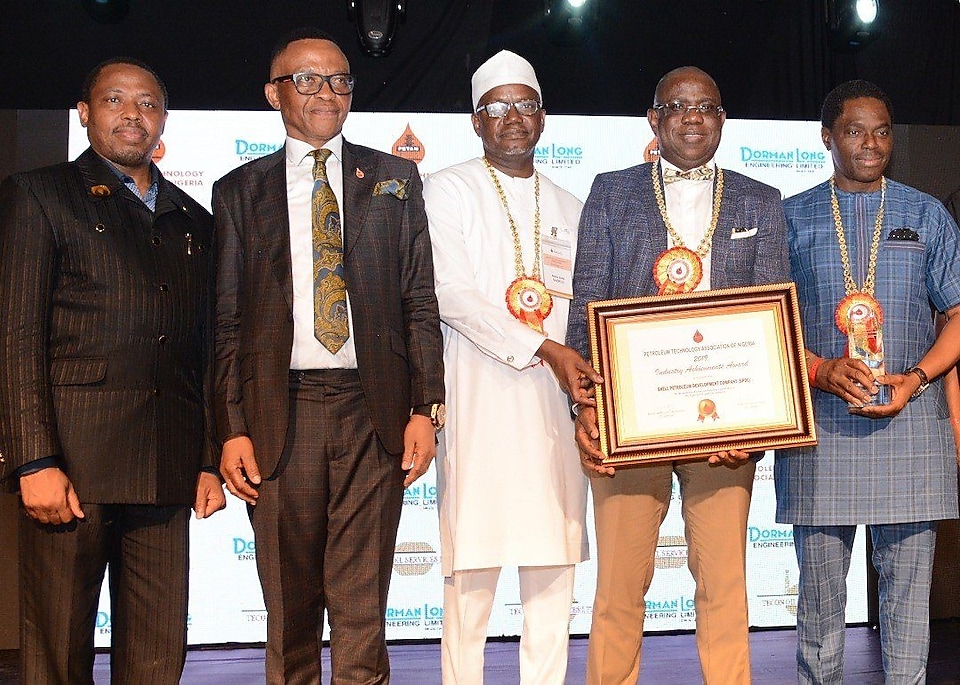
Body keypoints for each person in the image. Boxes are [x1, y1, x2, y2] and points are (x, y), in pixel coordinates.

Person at [212, 28, 445, 684]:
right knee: (288, 607)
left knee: (362, 606)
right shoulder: (238, 192)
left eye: (340, 80)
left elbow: (418, 301)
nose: (327, 93)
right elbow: (226, 323)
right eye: (307, 80)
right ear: (273, 93)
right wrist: (230, 427)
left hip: (372, 416)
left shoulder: (395, 178)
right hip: (278, 414)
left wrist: (425, 407)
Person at [0, 58, 224, 684]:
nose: (133, 114)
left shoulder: (194, 221)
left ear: (163, 120)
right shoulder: (39, 194)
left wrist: (206, 457)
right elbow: (17, 334)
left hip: (167, 462)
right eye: (115, 100)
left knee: (157, 655)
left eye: (148, 103)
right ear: (84, 112)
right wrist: (32, 460)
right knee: (57, 651)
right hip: (73, 462)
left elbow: (206, 351)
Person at [564, 66, 790, 684]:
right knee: (618, 590)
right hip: (632, 422)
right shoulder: (611, 192)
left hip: (727, 431)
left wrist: (762, 423)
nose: (694, 117)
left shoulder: (759, 201)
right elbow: (587, 306)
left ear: (722, 121)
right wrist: (588, 412)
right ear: (654, 119)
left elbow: (773, 316)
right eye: (679, 106)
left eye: (708, 107)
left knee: (724, 588)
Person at [774, 79, 960, 684]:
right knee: (822, 610)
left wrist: (914, 378)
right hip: (822, 433)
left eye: (881, 131)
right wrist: (821, 371)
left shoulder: (925, 213)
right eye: (854, 131)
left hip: (911, 428)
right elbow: (764, 326)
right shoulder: (791, 216)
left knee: (909, 611)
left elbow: (958, 316)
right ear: (827, 138)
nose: (871, 143)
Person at [423, 50, 597, 684]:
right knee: (470, 578)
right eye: (499, 108)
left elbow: (586, 313)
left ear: (543, 118)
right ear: (476, 121)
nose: (514, 118)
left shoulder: (572, 205)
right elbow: (451, 293)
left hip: (555, 408)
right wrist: (544, 349)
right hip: (478, 401)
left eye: (526, 106)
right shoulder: (447, 187)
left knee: (554, 574)